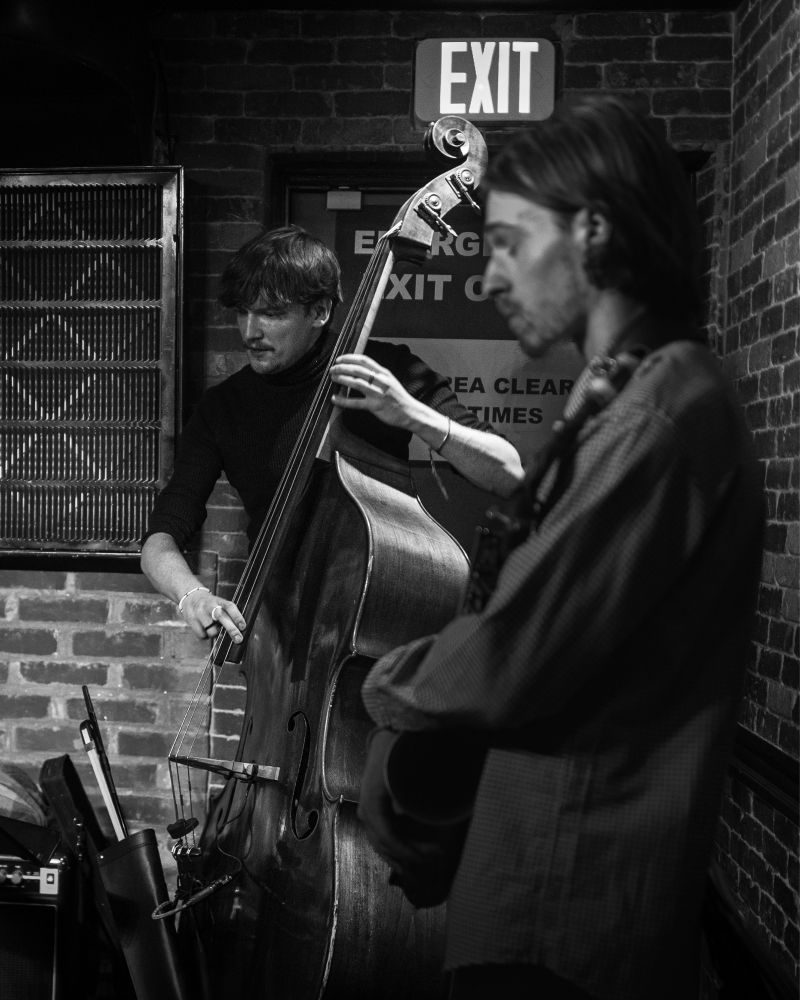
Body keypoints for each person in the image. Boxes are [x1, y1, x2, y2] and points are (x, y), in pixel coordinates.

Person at [357, 94, 765, 1000]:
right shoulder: (627, 392)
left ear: (591, 232)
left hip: (565, 924)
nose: (491, 274)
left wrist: (377, 693)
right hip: (537, 900)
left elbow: (512, 653)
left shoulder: (661, 407)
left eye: (509, 243)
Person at [140, 225, 523, 637]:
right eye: (242, 312)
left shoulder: (384, 373)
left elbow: (509, 474)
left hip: (382, 617)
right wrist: (191, 596)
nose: (251, 331)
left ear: (320, 311)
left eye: (271, 314)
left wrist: (413, 414)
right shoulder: (223, 408)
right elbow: (160, 538)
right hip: (276, 632)